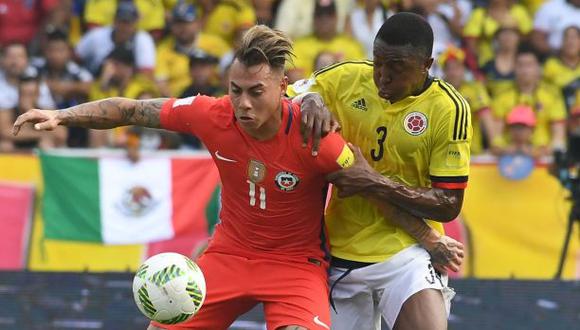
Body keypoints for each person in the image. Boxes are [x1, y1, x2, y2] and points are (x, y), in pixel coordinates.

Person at [14, 24, 463, 330]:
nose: (243, 104)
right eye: (235, 90)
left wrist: (428, 239)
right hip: (227, 257)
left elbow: (368, 189)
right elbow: (132, 109)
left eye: (255, 92)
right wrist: (61, 114)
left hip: (296, 267)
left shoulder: (317, 139)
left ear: (283, 86)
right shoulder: (212, 115)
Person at [288, 12, 470, 330]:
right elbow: (295, 92)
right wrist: (309, 99)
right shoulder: (347, 77)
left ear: (426, 64)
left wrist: (371, 180)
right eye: (378, 62)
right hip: (341, 253)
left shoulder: (447, 109)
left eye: (397, 67)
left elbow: (448, 204)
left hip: (407, 253)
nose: (383, 76)